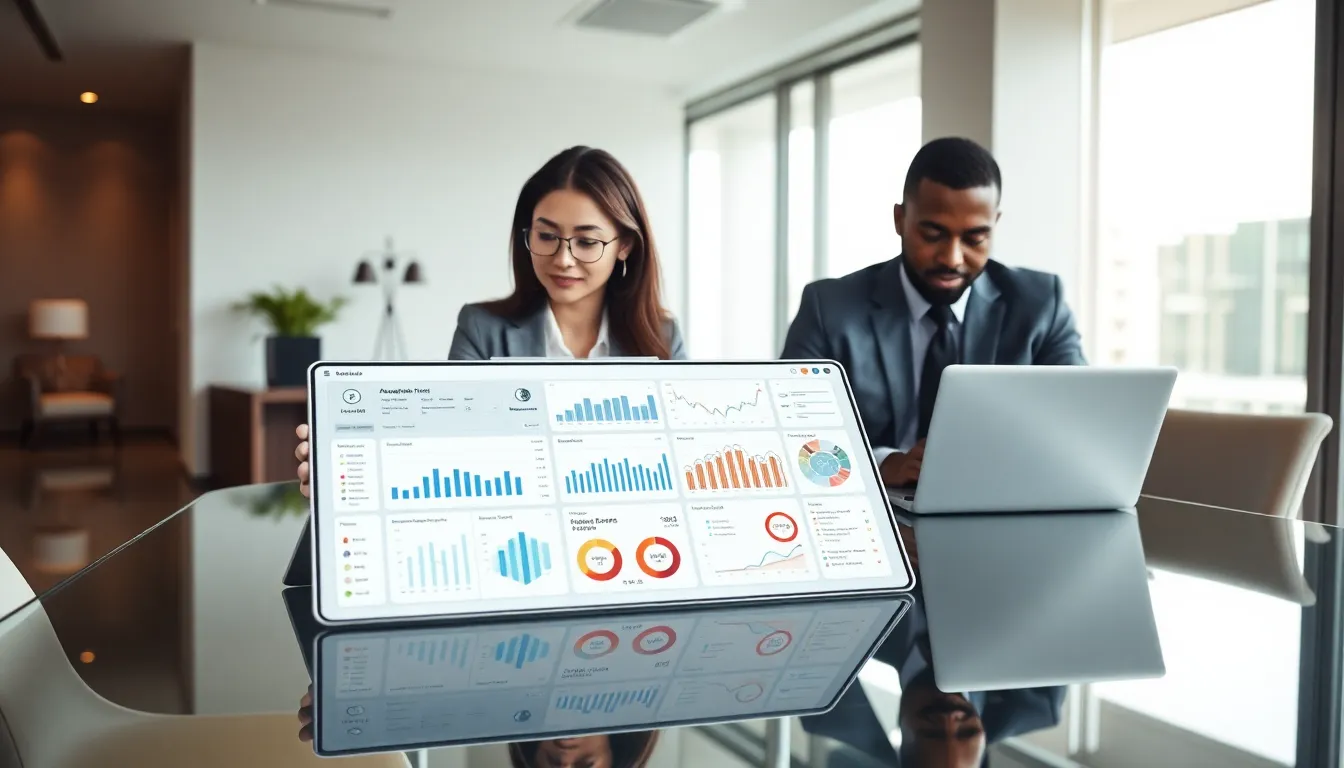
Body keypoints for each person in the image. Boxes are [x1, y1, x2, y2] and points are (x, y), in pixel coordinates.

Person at [295, 146, 686, 495]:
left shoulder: (663, 337)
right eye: (546, 236)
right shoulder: (481, 328)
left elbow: (681, 454)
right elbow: (447, 444)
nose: (563, 259)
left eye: (586, 242)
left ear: (626, 246)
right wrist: (350, 466)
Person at [780, 137, 1085, 487]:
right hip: (876, 504)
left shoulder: (1040, 304)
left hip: (997, 500)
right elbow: (792, 431)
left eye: (974, 238)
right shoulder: (829, 307)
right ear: (900, 219)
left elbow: (1075, 427)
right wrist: (880, 464)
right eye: (933, 234)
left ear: (994, 224)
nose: (952, 258)